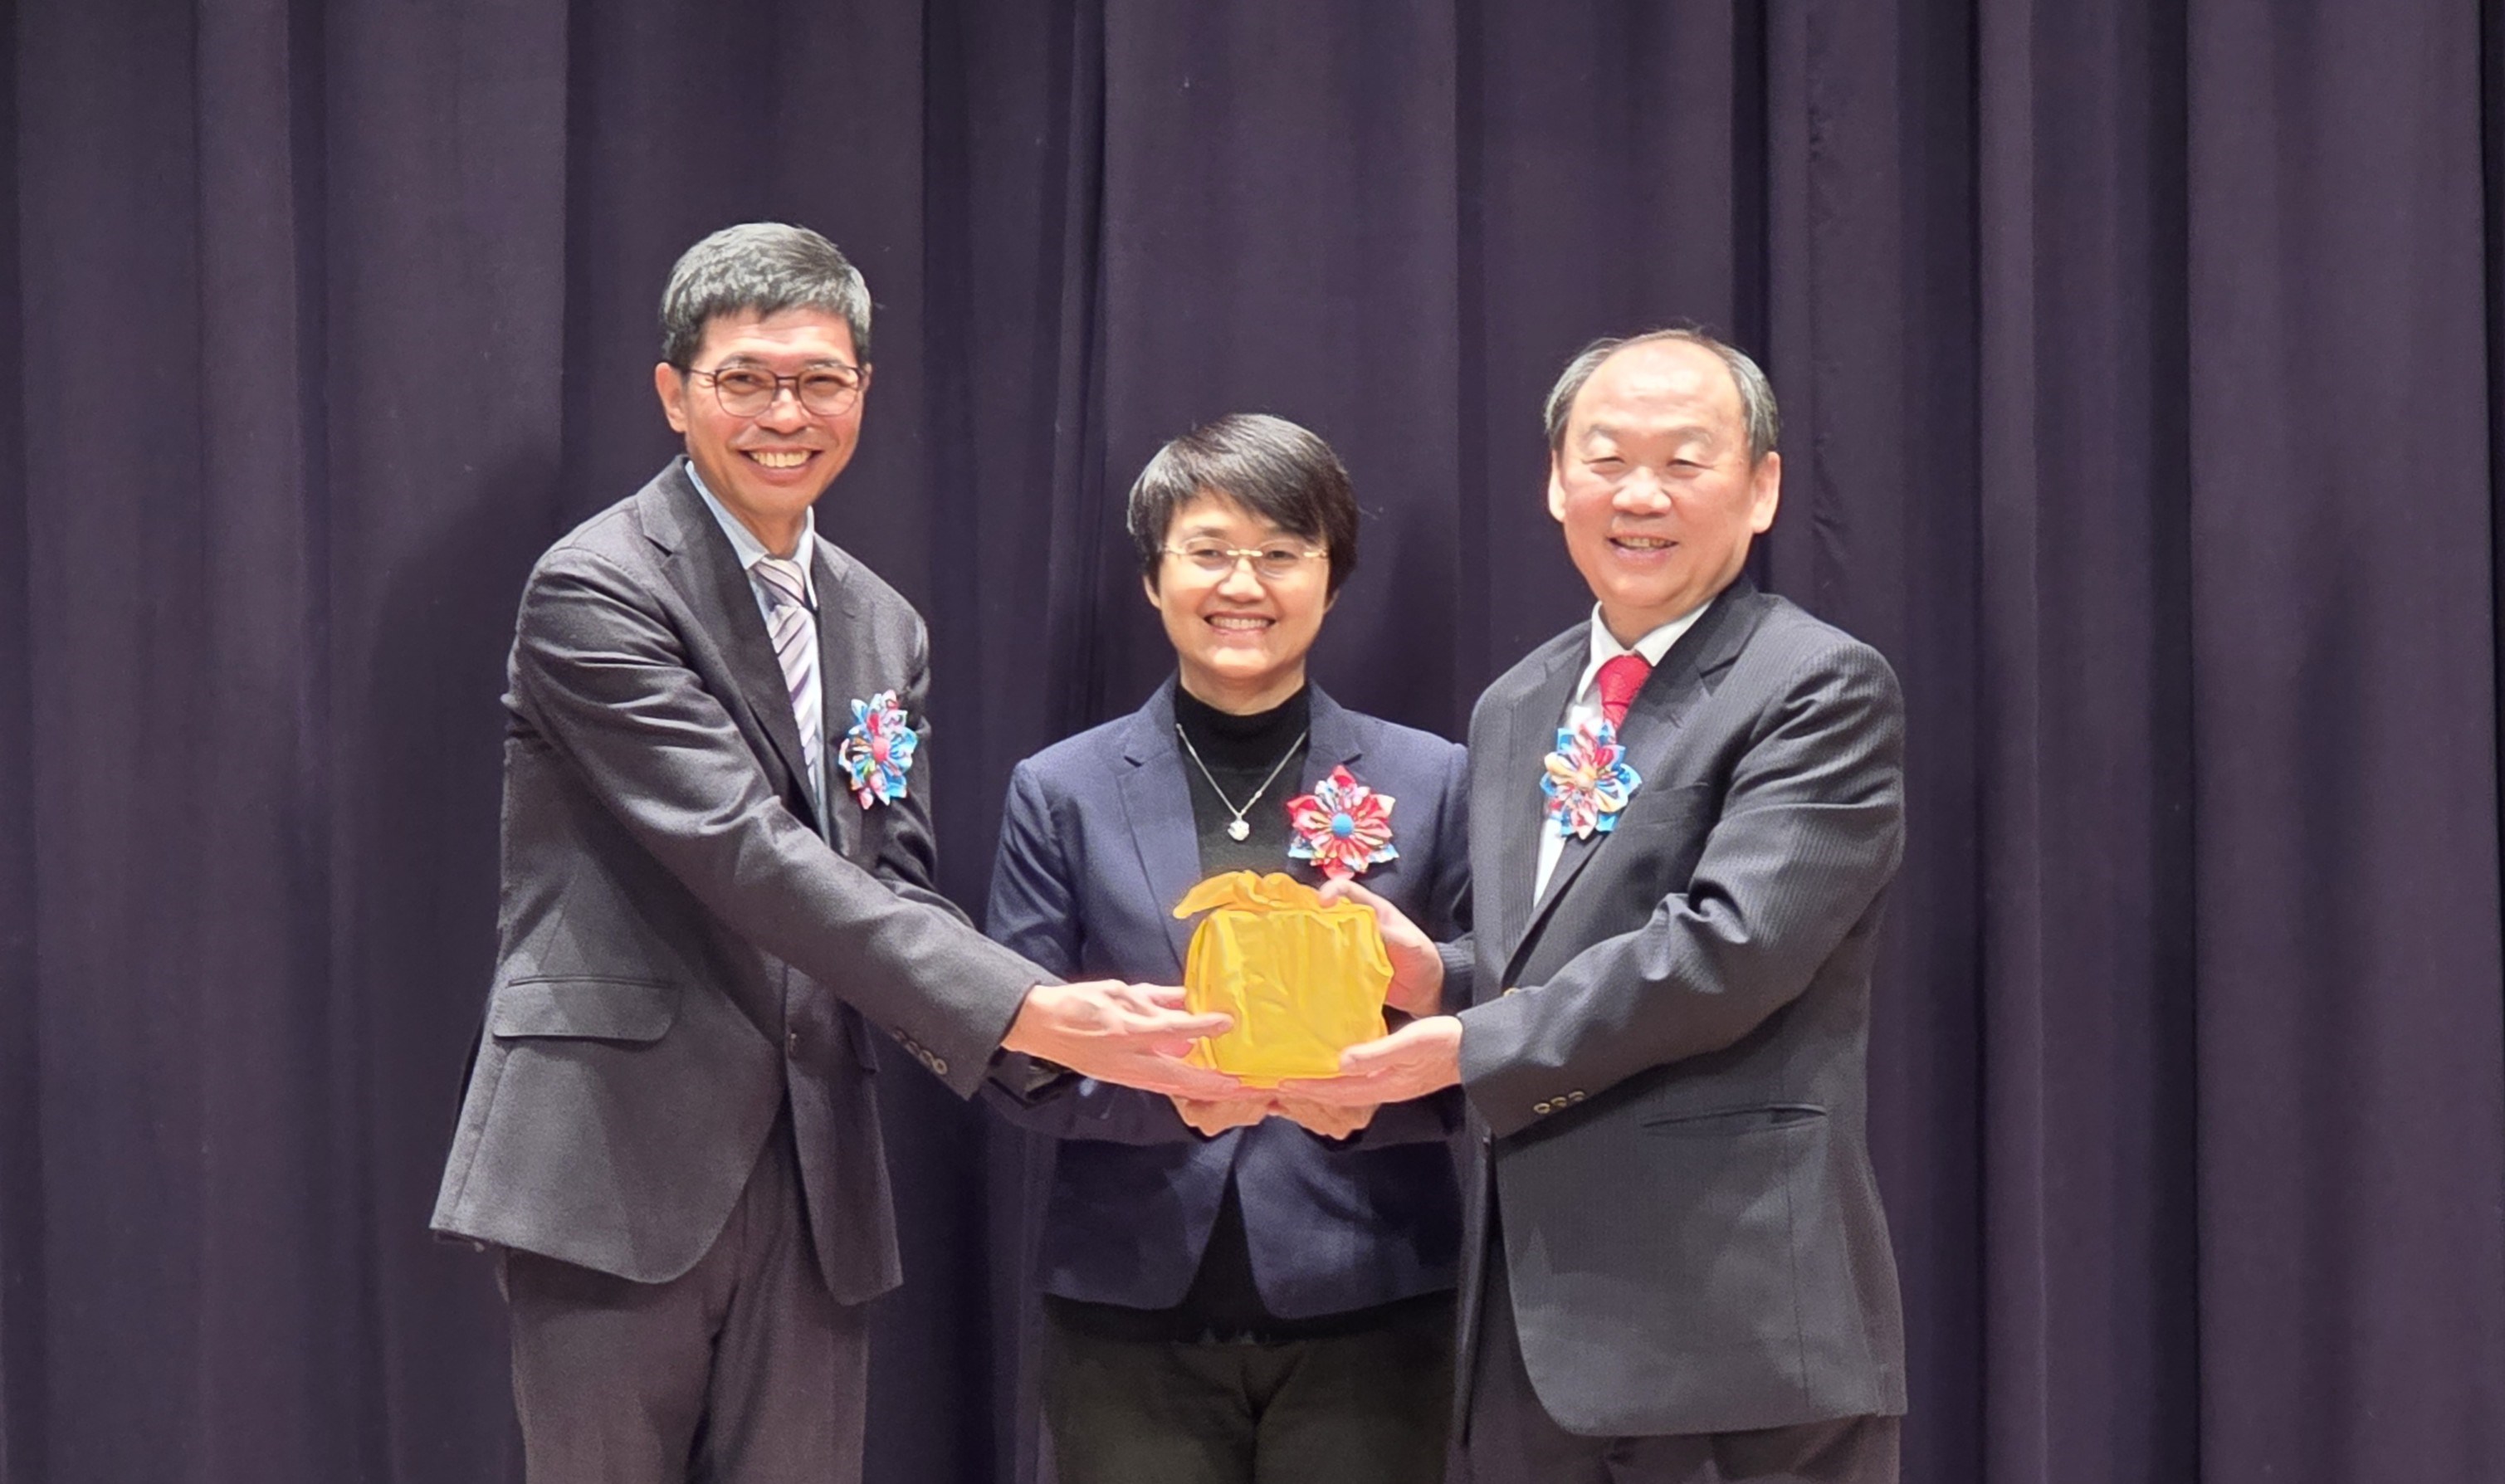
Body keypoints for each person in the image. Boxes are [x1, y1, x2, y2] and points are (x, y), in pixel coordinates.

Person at [427, 222, 1241, 1484]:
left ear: (863, 392)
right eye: (744, 378)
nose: (783, 414)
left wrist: (1071, 1050)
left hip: (817, 1175)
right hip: (609, 1156)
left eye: (819, 379)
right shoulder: (595, 588)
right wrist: (1030, 1007)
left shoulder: (881, 623)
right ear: (673, 394)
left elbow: (888, 883)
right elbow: (746, 853)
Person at [1287, 330, 1908, 1482]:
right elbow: (1542, 963)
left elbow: (1729, 949)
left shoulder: (1817, 685)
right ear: (1553, 480)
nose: (1637, 493)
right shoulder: (1515, 704)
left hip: (1733, 1332)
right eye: (1605, 456)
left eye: (1684, 461)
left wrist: (1464, 1042)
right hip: (1533, 1325)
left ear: (1763, 488)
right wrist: (1440, 979)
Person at [983, 413, 1471, 1484]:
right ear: (1155, 578)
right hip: (1127, 1303)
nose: (1242, 585)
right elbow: (1010, 1045)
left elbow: (1504, 1009)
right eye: (1208, 552)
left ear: (1331, 580)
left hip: (1375, 1293)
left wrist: (1390, 1087)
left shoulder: (1431, 778)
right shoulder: (1062, 789)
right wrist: (1161, 1090)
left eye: (1282, 554)